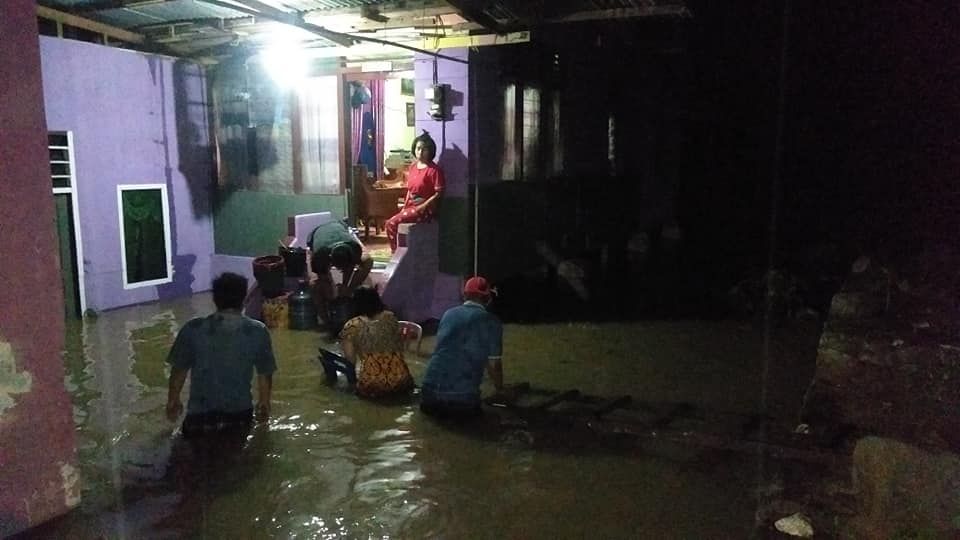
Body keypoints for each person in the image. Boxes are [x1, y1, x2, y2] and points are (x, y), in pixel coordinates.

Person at [165, 272, 277, 438]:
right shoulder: (257, 331)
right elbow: (265, 373)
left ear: (215, 299)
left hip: (199, 418)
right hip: (239, 416)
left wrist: (173, 400)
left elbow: (178, 371)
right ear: (243, 298)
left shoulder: (193, 329)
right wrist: (264, 402)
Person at [419, 276, 504, 420]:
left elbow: (445, 351)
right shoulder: (492, 322)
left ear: (464, 295)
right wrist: (500, 390)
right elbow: (494, 365)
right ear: (488, 297)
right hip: (462, 404)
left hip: (427, 398)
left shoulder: (448, 314)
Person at [321, 287, 414, 398]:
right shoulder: (390, 317)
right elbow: (398, 345)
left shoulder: (351, 326)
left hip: (372, 386)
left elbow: (350, 362)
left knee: (330, 388)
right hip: (403, 382)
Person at [384, 132, 445, 252]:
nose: (420, 152)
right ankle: (398, 252)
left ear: (430, 151)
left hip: (425, 208)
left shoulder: (434, 170)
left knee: (391, 224)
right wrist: (404, 207)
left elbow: (439, 193)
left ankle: (395, 254)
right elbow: (409, 191)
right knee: (393, 222)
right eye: (418, 149)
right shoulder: (412, 167)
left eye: (424, 149)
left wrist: (423, 206)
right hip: (411, 206)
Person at [308, 219, 374, 326]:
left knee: (368, 261)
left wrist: (347, 288)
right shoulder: (320, 256)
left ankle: (348, 293)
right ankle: (326, 321)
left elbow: (351, 267)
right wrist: (332, 298)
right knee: (316, 285)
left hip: (339, 227)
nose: (342, 270)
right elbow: (324, 279)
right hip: (317, 235)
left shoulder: (353, 247)